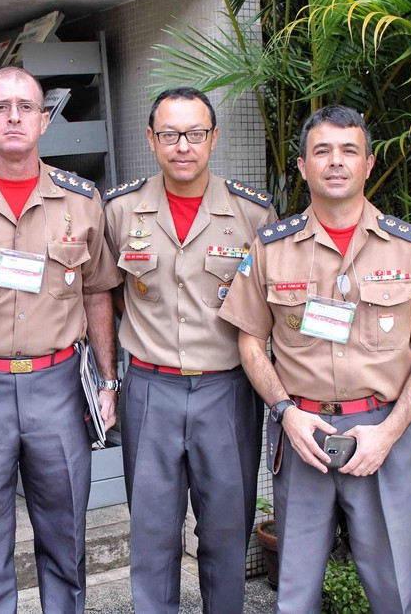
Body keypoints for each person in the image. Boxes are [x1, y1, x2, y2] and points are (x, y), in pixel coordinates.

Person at [219, 105, 411, 613]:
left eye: (349, 150)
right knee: (294, 591)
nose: (336, 161)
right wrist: (286, 414)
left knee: (396, 590)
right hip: (302, 434)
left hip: (383, 433)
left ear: (369, 164)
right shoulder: (271, 248)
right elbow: (250, 342)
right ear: (303, 166)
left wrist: (390, 431)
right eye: (322, 151)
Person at [0, 65, 123, 614]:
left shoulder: (82, 201)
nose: (14, 117)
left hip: (58, 389)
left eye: (26, 107)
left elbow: (98, 293)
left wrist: (107, 382)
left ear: (43, 120)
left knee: (66, 536)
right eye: (1, 107)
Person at [102, 87, 275, 613]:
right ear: (152, 139)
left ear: (214, 138)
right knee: (152, 533)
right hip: (150, 391)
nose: (183, 146)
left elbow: (269, 312)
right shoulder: (121, 210)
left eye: (195, 133)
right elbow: (107, 295)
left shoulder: (252, 215)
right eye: (171, 134)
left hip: (226, 392)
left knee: (226, 531)